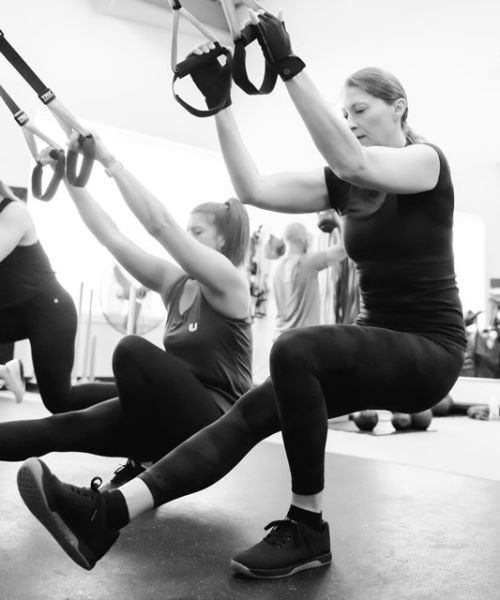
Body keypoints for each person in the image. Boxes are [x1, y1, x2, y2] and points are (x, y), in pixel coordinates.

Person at [16, 12, 466, 581]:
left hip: (431, 349)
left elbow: (352, 159)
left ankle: (308, 526)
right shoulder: (344, 183)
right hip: (375, 341)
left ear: (398, 107)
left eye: (360, 110)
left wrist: (289, 66)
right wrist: (220, 103)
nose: (350, 122)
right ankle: (106, 514)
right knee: (252, 412)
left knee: (295, 349)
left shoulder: (426, 162)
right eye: (345, 112)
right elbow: (252, 188)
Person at [0, 132, 252, 488]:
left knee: (132, 350)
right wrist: (69, 178)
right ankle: (144, 453)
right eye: (187, 231)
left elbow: (160, 226)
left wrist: (109, 161)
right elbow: (110, 235)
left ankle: (144, 453)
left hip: (217, 426)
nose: (186, 239)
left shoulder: (229, 284)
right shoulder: (175, 282)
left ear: (222, 241)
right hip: (168, 413)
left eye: (196, 232)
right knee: (61, 425)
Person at [0, 179, 117, 411]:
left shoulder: (15, 212)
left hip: (48, 310)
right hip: (13, 312)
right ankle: (5, 371)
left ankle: (144, 390)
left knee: (60, 401)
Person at [272, 220, 345, 337]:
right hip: (302, 340)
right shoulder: (308, 262)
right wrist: (337, 219)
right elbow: (344, 248)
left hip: (279, 338)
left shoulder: (276, 266)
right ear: (302, 240)